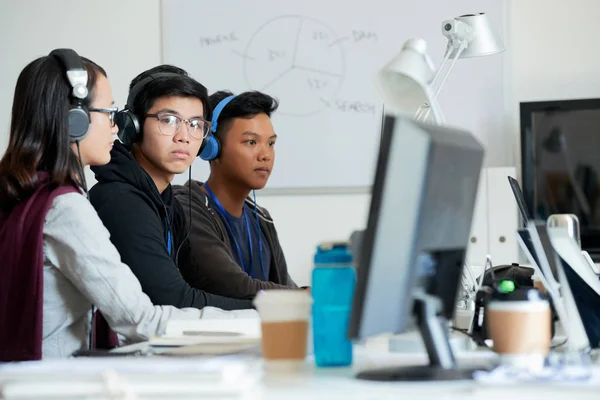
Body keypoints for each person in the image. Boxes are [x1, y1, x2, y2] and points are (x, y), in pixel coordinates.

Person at [0, 49, 253, 361]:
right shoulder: (65, 208)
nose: (116, 126)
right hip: (52, 380)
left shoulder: (33, 193)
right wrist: (269, 318)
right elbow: (141, 321)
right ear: (75, 120)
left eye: (196, 124)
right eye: (107, 113)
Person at [88, 66, 253, 310]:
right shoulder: (121, 201)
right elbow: (173, 300)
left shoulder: (167, 202)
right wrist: (268, 309)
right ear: (132, 126)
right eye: (169, 120)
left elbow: (201, 285)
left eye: (196, 124)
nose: (184, 136)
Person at [174, 90, 300, 300]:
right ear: (211, 148)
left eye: (270, 143)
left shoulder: (261, 218)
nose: (265, 155)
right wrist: (302, 296)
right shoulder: (188, 207)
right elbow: (232, 285)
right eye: (251, 142)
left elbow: (284, 286)